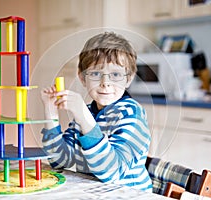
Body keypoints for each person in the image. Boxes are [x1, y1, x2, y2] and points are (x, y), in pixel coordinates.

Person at [40, 32, 152, 192]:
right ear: (82, 77)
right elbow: (60, 162)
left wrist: (84, 117)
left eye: (115, 74)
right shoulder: (86, 113)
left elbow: (111, 171)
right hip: (94, 193)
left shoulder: (131, 114)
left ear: (128, 79)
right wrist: (51, 113)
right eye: (95, 74)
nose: (105, 83)